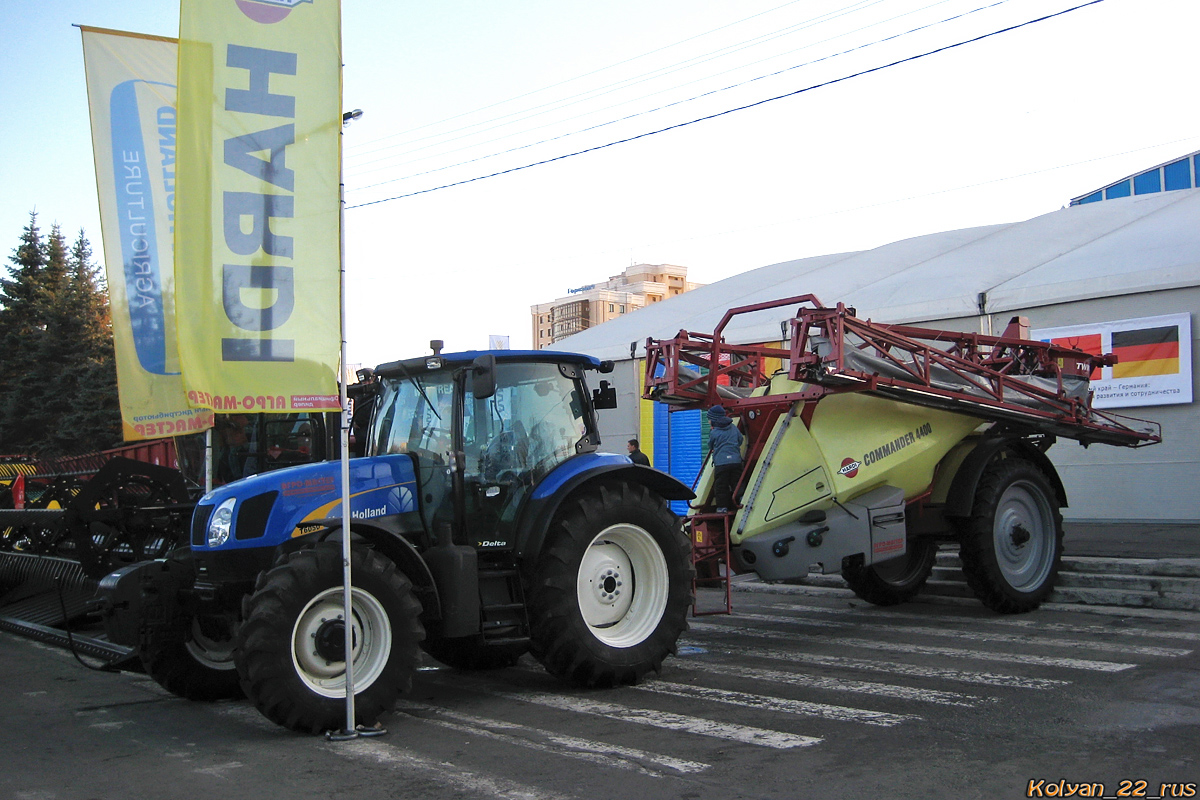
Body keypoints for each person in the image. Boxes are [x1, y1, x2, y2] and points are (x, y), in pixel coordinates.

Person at [707, 405, 742, 513]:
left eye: (709, 419)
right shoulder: (733, 428)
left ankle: (722, 507)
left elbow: (710, 445)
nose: (708, 421)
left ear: (713, 419)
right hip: (736, 461)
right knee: (737, 482)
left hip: (721, 463)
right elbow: (740, 440)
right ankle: (740, 500)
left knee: (721, 486)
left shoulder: (714, 432)